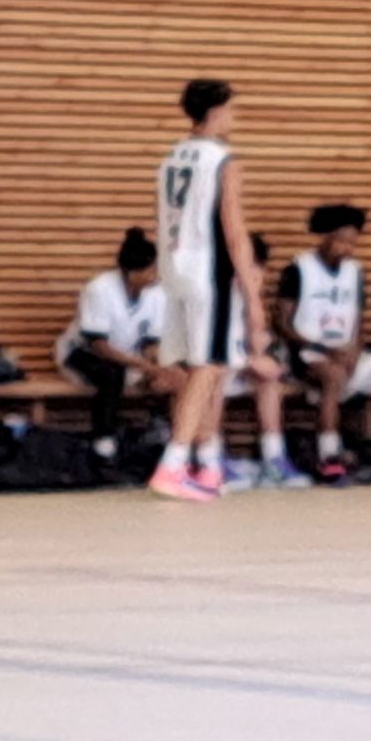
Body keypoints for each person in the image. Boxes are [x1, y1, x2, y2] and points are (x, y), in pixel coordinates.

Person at [150, 79, 279, 502]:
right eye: (231, 109)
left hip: (174, 270)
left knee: (204, 369)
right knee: (208, 366)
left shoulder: (172, 157)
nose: (234, 116)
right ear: (216, 111)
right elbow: (234, 231)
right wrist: (253, 296)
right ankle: (173, 465)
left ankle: (206, 464)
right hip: (209, 273)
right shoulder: (222, 159)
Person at [277, 204, 371, 485]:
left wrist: (355, 351)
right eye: (342, 241)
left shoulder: (355, 272)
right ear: (325, 236)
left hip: (347, 353)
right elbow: (283, 323)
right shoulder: (298, 269)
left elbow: (357, 319)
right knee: (333, 376)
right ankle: (329, 456)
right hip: (309, 354)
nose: (347, 248)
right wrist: (324, 348)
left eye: (352, 242)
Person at [55, 228, 185, 463]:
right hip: (82, 354)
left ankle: (160, 429)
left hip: (128, 357)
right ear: (132, 273)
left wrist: (157, 364)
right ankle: (103, 438)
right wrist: (144, 366)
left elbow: (150, 341)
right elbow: (98, 346)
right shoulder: (99, 289)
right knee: (111, 374)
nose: (156, 274)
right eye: (152, 269)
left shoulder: (157, 293)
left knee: (172, 373)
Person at [221, 233, 311, 490]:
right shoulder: (216, 298)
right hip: (208, 374)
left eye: (258, 269)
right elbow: (207, 354)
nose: (255, 276)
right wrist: (250, 361)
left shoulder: (250, 302)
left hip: (236, 370)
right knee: (212, 381)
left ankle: (274, 459)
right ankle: (213, 460)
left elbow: (257, 345)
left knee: (268, 382)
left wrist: (258, 355)